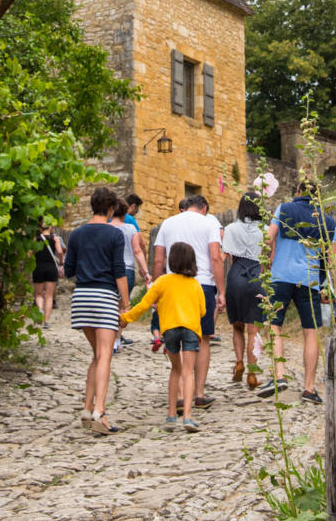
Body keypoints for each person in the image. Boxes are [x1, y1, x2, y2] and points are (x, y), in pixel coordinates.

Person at [261, 180, 336, 405]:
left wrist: (265, 267)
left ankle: (279, 375)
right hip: (310, 280)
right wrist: (331, 287)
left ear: (297, 192)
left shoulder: (284, 209)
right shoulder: (328, 221)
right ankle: (309, 388)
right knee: (310, 332)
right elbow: (332, 260)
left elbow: (268, 238)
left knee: (274, 324)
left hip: (281, 276)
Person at [63, 186, 130, 434]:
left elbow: (68, 270)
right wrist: (126, 304)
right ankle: (99, 411)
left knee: (96, 355)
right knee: (105, 355)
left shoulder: (77, 234)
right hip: (103, 297)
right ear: (112, 208)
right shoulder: (114, 235)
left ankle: (86, 409)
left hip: (81, 297)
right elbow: (119, 272)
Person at [121, 241, 206, 432]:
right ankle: (188, 417)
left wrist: (126, 318)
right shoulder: (195, 284)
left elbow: (144, 305)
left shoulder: (162, 282)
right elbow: (202, 311)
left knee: (175, 370)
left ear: (172, 260)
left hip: (170, 330)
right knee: (188, 371)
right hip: (191, 329)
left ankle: (170, 415)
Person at [152, 193, 225, 409]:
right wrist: (221, 290)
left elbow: (158, 259)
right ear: (204, 208)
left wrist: (156, 288)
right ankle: (200, 393)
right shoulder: (209, 222)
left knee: (178, 338)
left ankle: (183, 393)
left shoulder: (168, 223)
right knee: (202, 338)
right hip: (201, 285)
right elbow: (215, 257)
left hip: (172, 286)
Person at [223, 192, 267, 388]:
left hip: (236, 276)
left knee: (237, 326)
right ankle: (252, 373)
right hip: (256, 275)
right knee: (253, 331)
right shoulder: (266, 230)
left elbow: (224, 255)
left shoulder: (231, 228)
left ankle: (239, 362)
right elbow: (268, 258)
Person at [110, 198, 151, 350]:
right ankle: (117, 339)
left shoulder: (106, 228)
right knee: (122, 306)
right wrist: (145, 271)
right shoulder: (130, 228)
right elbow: (137, 251)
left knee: (111, 304)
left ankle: (109, 338)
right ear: (125, 212)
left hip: (110, 270)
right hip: (127, 269)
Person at [32, 219, 64, 328]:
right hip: (51, 268)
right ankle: (46, 321)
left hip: (38, 267)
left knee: (39, 294)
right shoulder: (54, 239)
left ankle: (40, 310)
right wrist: (61, 261)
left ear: (40, 228)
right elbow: (60, 252)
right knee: (49, 296)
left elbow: (29, 253)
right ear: (50, 227)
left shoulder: (36, 239)